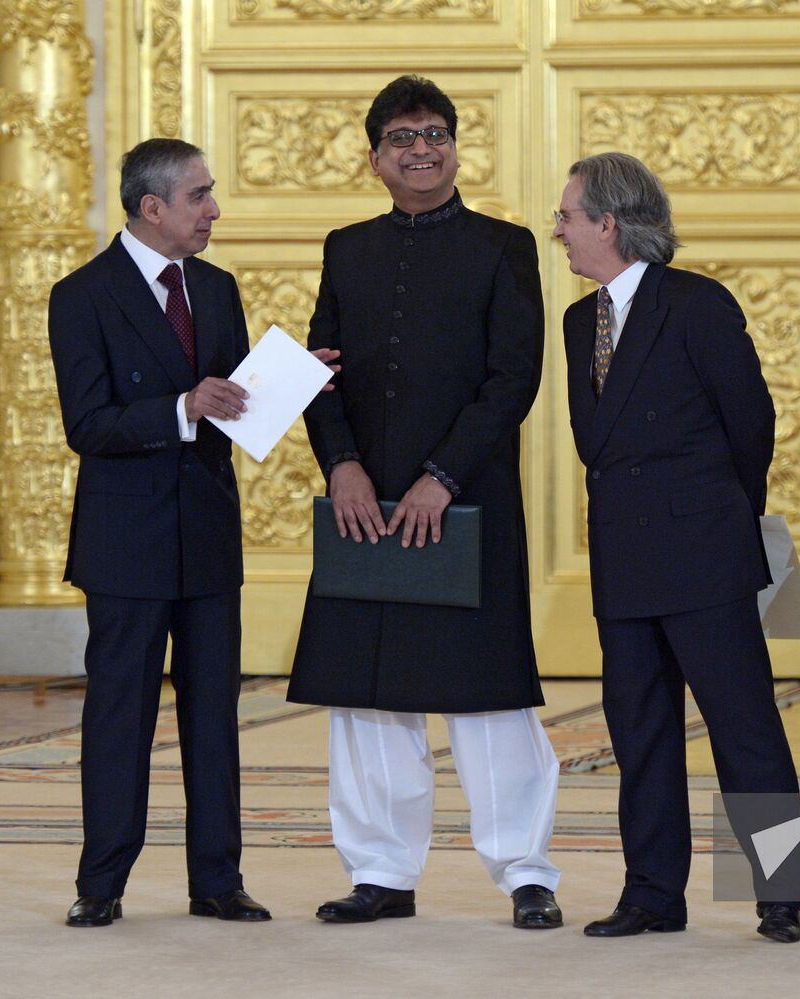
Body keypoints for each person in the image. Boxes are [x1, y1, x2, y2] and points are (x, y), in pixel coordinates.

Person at [286, 76, 562, 930]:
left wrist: (442, 476)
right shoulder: (346, 247)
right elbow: (317, 367)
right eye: (402, 137)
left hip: (466, 498)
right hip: (366, 505)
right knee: (368, 694)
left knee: (488, 695)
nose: (421, 148)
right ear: (375, 157)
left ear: (454, 145)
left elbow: (513, 378)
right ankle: (380, 873)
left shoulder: (503, 245)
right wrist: (341, 465)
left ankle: (526, 873)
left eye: (434, 133)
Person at [554, 152, 800, 943]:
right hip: (623, 557)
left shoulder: (697, 304)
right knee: (640, 732)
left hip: (703, 553)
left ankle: (781, 892)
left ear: (610, 222)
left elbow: (750, 428)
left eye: (568, 216)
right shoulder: (577, 319)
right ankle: (653, 893)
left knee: (744, 727)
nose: (556, 229)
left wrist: (719, 519)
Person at [49, 138, 278, 926]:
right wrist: (183, 409)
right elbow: (89, 424)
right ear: (153, 208)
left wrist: (293, 380)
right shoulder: (80, 296)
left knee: (214, 713)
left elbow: (238, 402)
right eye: (201, 196)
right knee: (121, 714)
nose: (214, 210)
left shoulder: (216, 287)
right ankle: (102, 882)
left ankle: (218, 878)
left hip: (208, 533)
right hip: (126, 542)